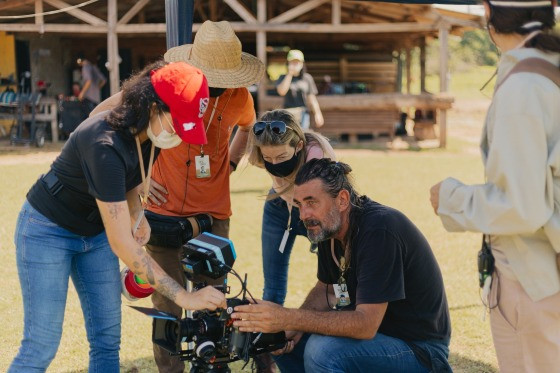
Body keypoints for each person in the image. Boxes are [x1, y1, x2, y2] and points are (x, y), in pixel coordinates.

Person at [8, 61, 226, 373]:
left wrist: (138, 213)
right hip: (47, 230)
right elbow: (123, 243)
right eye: (177, 121)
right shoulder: (104, 142)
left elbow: (134, 175)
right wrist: (183, 296)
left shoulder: (151, 134)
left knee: (107, 340)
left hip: (94, 233)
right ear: (152, 107)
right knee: (41, 344)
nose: (180, 133)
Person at [92, 20, 264, 373]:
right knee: (167, 308)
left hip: (213, 218)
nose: (215, 86)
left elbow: (248, 126)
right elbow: (101, 118)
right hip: (161, 216)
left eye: (222, 79)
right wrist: (135, 180)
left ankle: (214, 365)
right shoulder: (165, 87)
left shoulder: (239, 98)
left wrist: (229, 163)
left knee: (213, 302)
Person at [429, 0, 560, 371]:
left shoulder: (525, 87)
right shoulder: (549, 71)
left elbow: (522, 207)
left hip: (534, 278)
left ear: (489, 12)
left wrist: (451, 198)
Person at [233, 159, 452, 373]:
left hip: (421, 351)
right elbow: (326, 290)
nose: (303, 215)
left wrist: (289, 317)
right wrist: (289, 328)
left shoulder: (379, 230)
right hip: (379, 341)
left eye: (311, 202)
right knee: (282, 341)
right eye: (299, 205)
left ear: (342, 200)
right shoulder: (330, 229)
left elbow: (366, 324)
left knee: (322, 350)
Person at [246, 109, 335, 307]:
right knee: (272, 289)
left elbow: (314, 196)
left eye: (281, 156)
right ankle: (272, 334)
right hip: (279, 208)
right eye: (268, 159)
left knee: (334, 282)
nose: (274, 163)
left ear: (299, 146)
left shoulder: (316, 156)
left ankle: (323, 330)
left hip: (318, 212)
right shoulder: (262, 151)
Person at [276, 49, 324, 129]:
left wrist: (318, 114)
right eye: (292, 62)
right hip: (287, 114)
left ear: (302, 64)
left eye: (297, 62)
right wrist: (290, 74)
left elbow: (312, 98)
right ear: (288, 63)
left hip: (303, 113)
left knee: (303, 136)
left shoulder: (307, 78)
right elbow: (282, 92)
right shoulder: (283, 77)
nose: (294, 65)